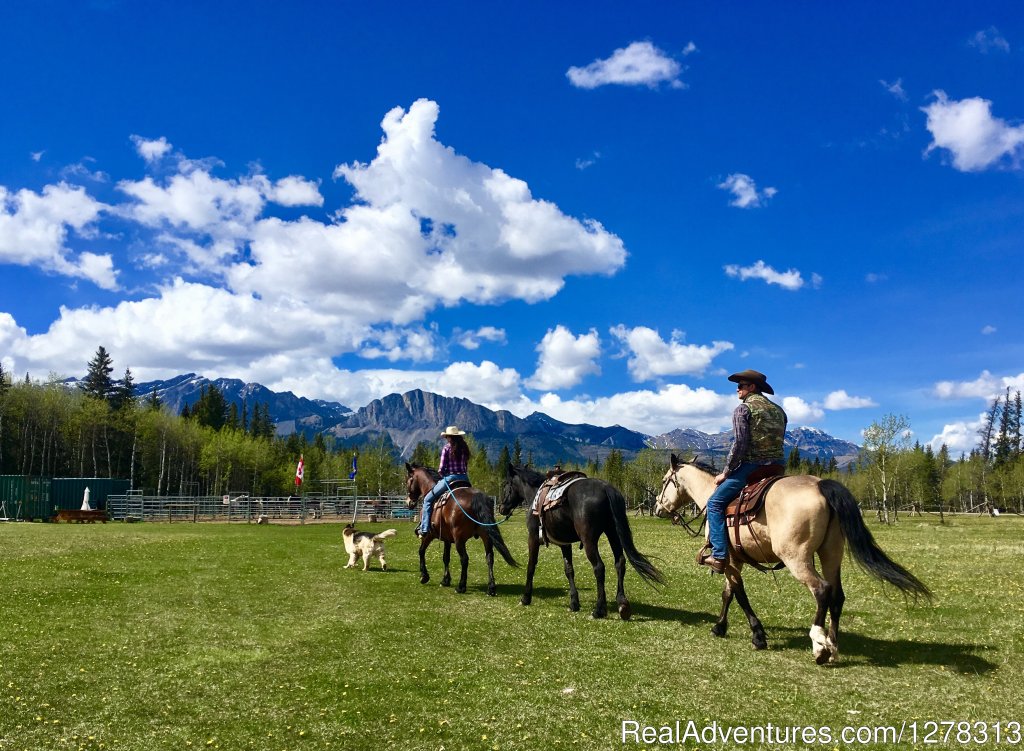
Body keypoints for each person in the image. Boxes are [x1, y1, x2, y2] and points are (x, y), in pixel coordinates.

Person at [701, 369, 787, 574]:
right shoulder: (779, 411)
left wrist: (726, 472)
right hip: (777, 467)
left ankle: (720, 556)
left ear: (752, 387)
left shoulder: (743, 409)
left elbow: (740, 444)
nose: (737, 389)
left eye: (741, 385)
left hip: (752, 467)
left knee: (714, 503)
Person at [416, 425, 472, 537]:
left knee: (427, 499)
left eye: (447, 437)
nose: (446, 439)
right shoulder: (464, 448)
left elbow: (441, 469)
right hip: (465, 479)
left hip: (450, 478)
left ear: (449, 437)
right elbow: (465, 465)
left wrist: (441, 475)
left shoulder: (447, 448)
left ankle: (424, 529)